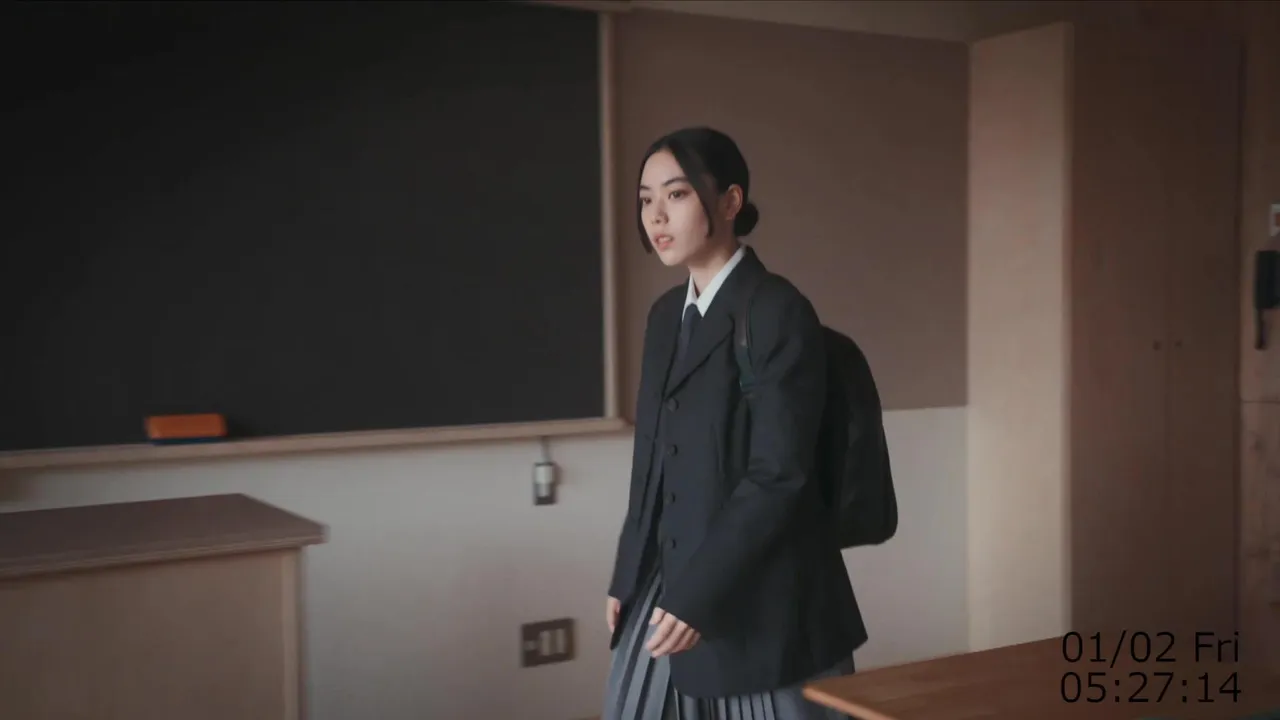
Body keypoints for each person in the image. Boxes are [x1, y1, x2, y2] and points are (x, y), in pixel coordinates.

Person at [602, 126, 867, 720]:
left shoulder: (777, 309)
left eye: (676, 194)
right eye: (645, 199)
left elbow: (780, 475)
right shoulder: (665, 316)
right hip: (669, 582)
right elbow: (651, 461)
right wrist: (626, 575)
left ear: (729, 201)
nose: (655, 215)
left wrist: (698, 596)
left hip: (764, 595)